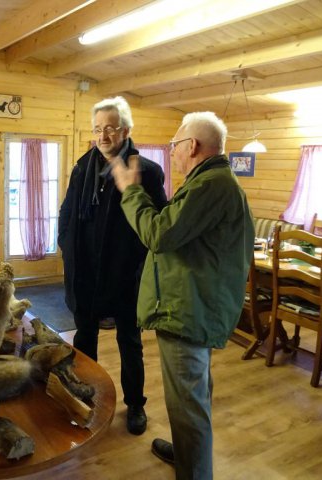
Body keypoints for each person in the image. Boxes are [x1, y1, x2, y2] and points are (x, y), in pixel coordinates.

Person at [110, 111, 254, 479]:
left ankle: (194, 470)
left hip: (189, 311)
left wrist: (130, 191)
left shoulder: (212, 185)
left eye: (174, 145)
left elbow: (159, 234)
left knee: (189, 403)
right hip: (192, 305)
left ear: (192, 146)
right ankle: (188, 451)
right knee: (190, 396)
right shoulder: (210, 182)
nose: (172, 153)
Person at [57, 96, 167, 435]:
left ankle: (135, 404)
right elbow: (68, 211)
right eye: (97, 129)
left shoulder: (145, 171)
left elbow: (158, 223)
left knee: (129, 341)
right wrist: (66, 247)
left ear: (126, 130)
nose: (103, 136)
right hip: (86, 272)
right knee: (84, 338)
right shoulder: (82, 165)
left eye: (110, 128)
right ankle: (85, 397)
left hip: (126, 274)